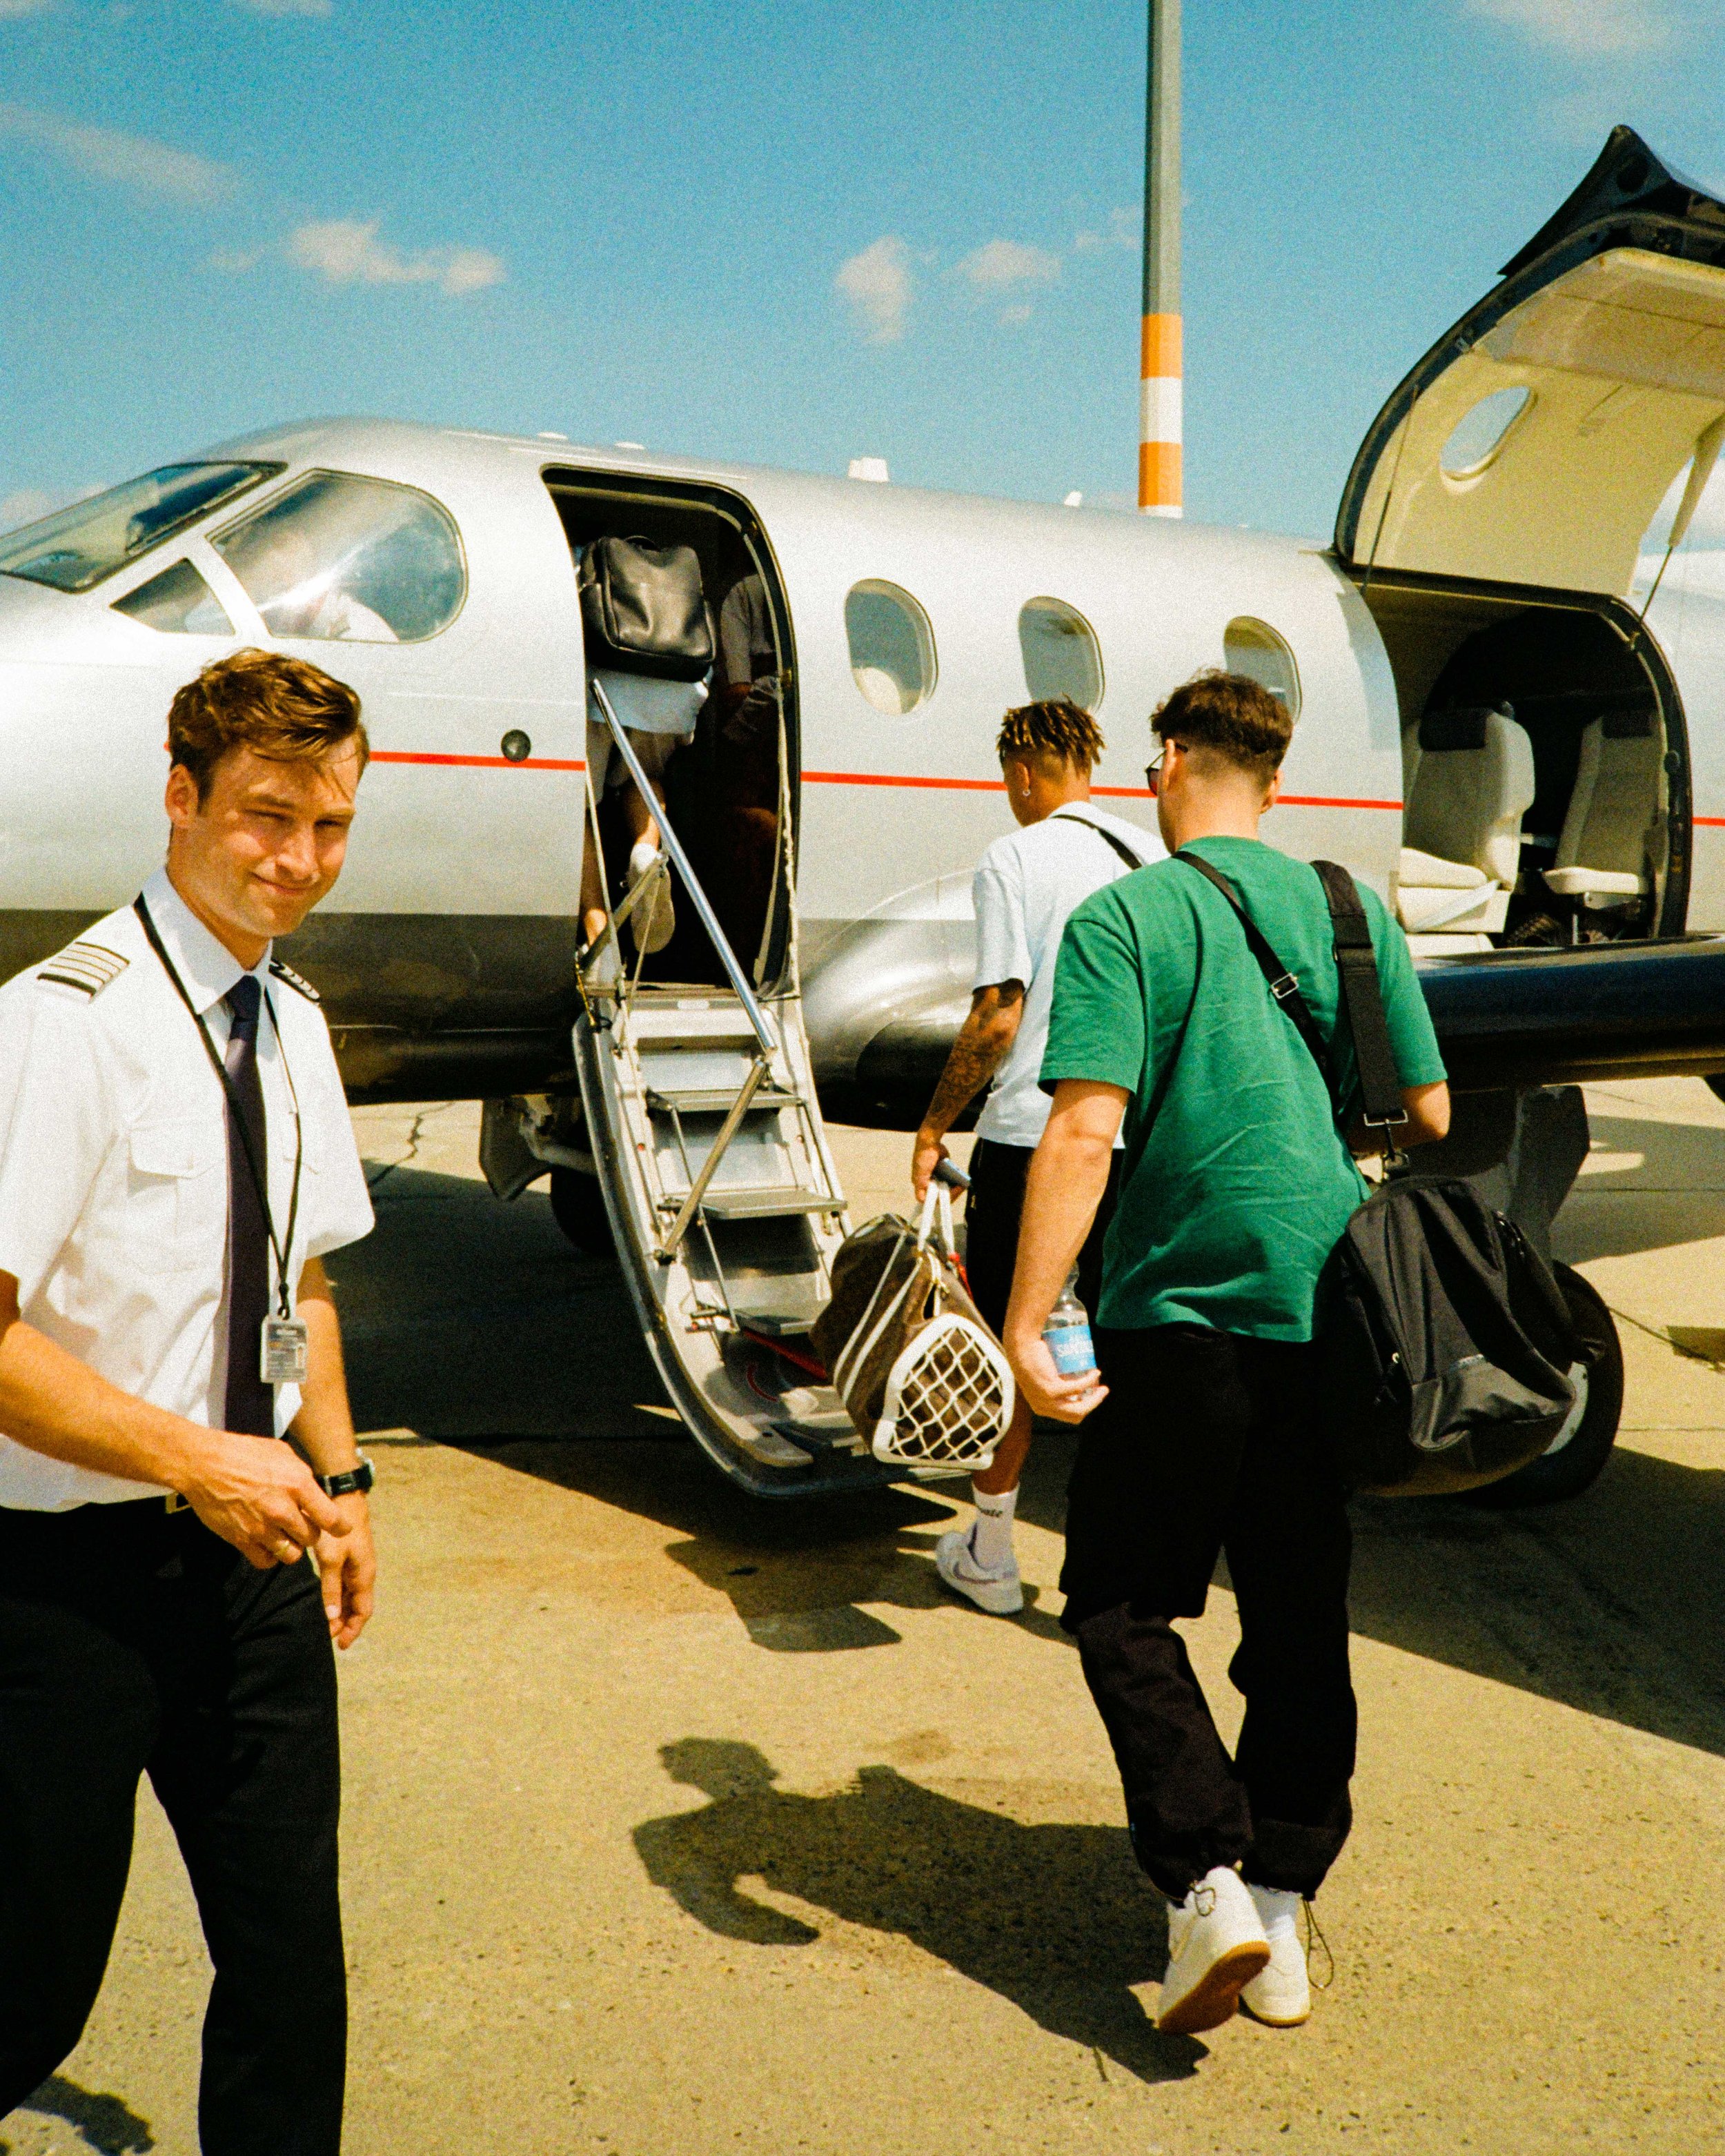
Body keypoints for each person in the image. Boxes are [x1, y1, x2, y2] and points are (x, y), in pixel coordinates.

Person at [1003, 671, 1449, 2037]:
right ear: (1273, 777)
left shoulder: (1125, 915)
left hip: (1177, 1318)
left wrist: (1024, 1318)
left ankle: (1204, 1878)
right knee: (1297, 1615)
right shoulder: (1348, 909)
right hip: (1330, 1317)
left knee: (1119, 1601)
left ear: (1168, 760)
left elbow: (1085, 1128)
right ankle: (1284, 1895)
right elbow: (1426, 1109)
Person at [0, 649, 379, 2153]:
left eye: (330, 825)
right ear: (180, 796)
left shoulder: (294, 1024)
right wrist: (195, 1458)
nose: (299, 860)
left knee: (290, 1962)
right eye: (266, 816)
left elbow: (306, 1278)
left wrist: (340, 1480)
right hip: (60, 1581)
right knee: (29, 1980)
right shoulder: (65, 1023)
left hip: (252, 1569)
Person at [911, 697, 1161, 1615]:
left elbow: (998, 1015)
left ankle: (990, 1552)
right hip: (1132, 1141)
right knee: (1119, 1350)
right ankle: (1115, 1574)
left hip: (1031, 1139)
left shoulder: (1013, 857)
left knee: (1014, 1342)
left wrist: (934, 1126)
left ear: (1021, 772)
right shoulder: (1153, 859)